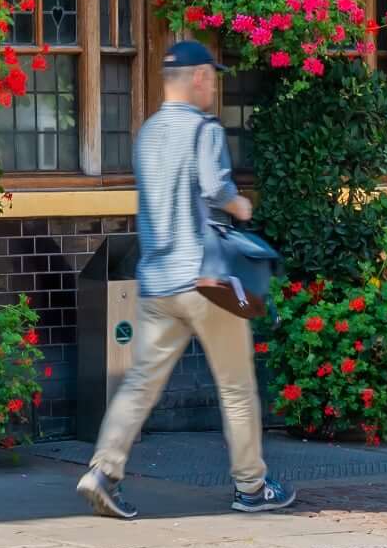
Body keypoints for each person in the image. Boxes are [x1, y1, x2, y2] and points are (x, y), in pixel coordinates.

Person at [77, 39, 296, 518]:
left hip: (156, 279)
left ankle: (102, 472)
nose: (214, 86)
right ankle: (252, 488)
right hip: (206, 282)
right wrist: (241, 205)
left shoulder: (148, 133)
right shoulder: (204, 130)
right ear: (197, 77)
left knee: (139, 383)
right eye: (211, 77)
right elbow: (215, 187)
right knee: (237, 388)